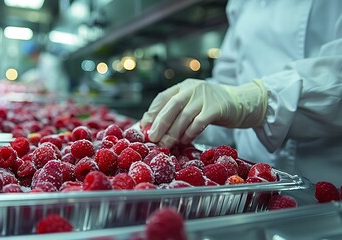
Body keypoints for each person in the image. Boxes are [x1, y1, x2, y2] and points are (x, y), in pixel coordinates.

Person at [140, 0, 342, 185]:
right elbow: (226, 86)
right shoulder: (242, 3)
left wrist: (257, 100)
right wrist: (183, 121)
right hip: (249, 188)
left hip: (325, 187)